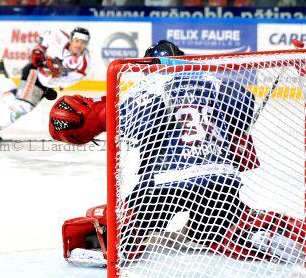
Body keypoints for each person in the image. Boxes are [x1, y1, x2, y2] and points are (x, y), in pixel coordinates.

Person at [52, 41, 306, 266]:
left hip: (163, 183)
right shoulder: (215, 80)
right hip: (219, 178)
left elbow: (133, 126)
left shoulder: (150, 83)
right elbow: (246, 108)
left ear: (148, 62)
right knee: (211, 232)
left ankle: (122, 241)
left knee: (132, 229)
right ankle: (256, 231)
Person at [0, 27, 90, 140]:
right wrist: (40, 49)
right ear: (71, 39)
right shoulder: (59, 36)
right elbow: (46, 35)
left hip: (44, 83)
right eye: (77, 41)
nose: (79, 45)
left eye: (83, 42)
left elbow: (72, 78)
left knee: (15, 104)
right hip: (34, 72)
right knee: (23, 106)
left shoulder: (83, 61)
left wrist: (55, 83)